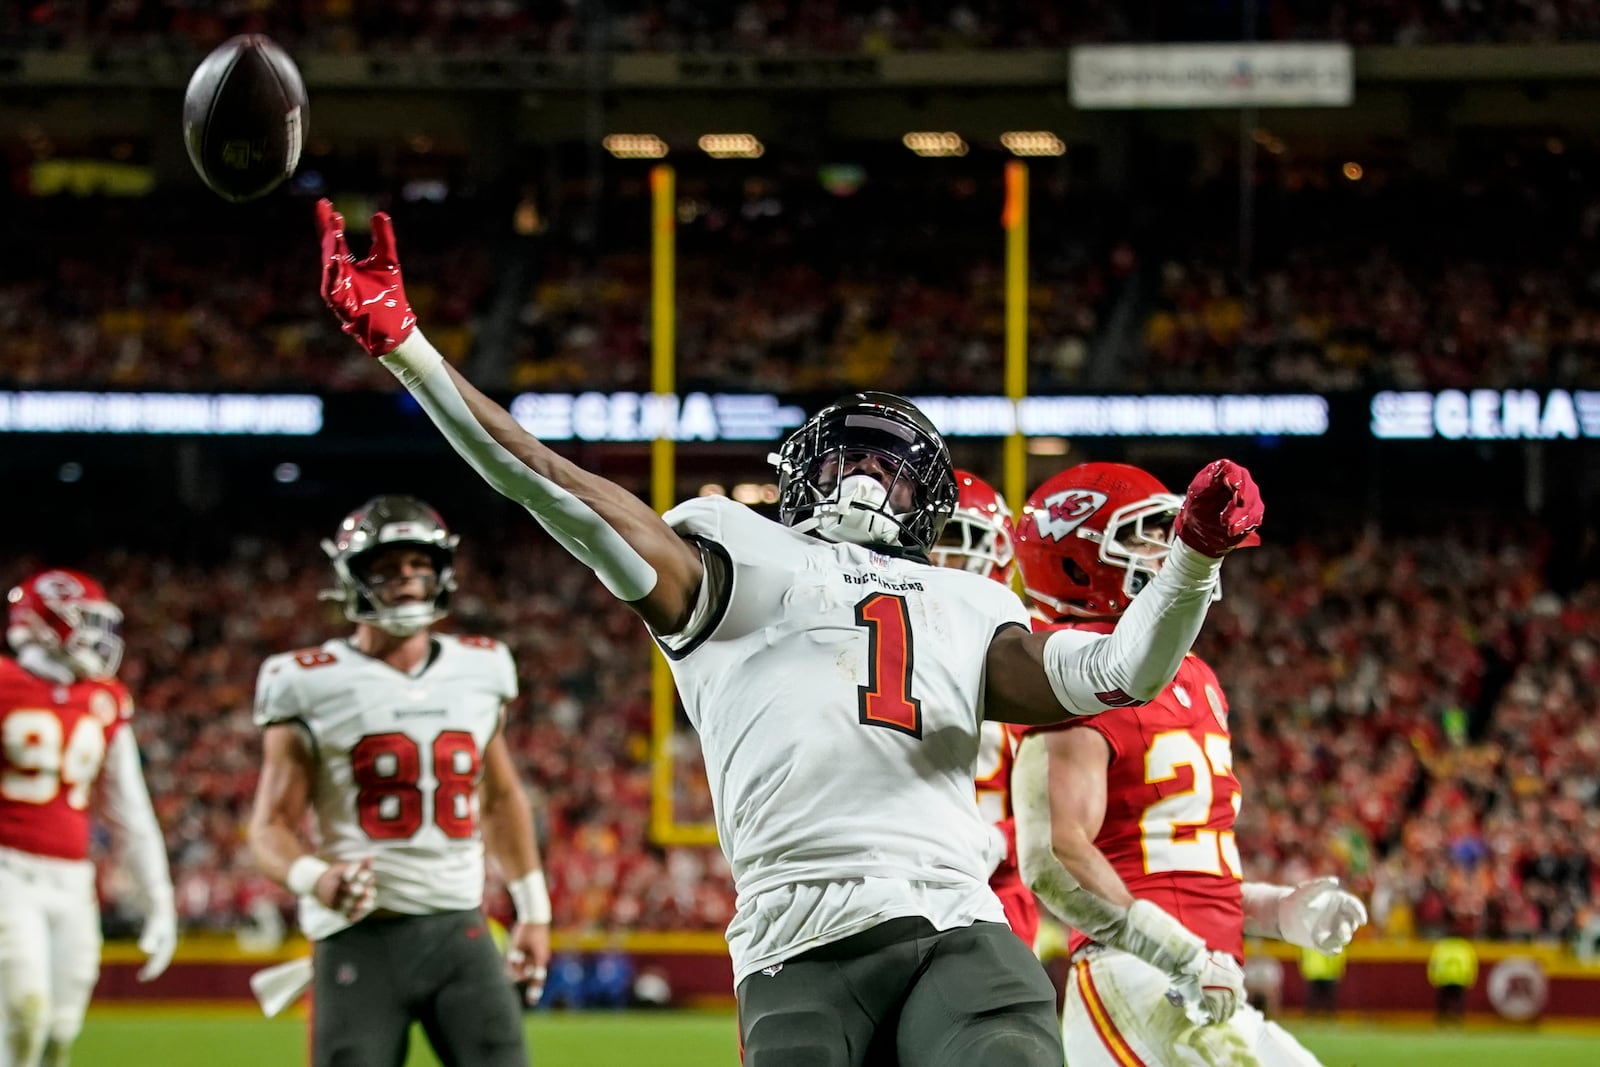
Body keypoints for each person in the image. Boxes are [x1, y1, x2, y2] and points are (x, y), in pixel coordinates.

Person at [314, 201, 1264, 1067]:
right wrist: (414, 353)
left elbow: (1120, 669)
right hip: (797, 934)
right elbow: (551, 483)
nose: (866, 479)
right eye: (850, 456)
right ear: (801, 470)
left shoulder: (965, 601)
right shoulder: (736, 549)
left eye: (892, 470)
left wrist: (1195, 558)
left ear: (927, 503)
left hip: (954, 917)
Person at [1008, 462, 1368, 1067]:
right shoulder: (1072, 673)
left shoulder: (1195, 678)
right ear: (1075, 559)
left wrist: (1278, 910)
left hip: (1194, 979)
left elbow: (1174, 863)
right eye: (1142, 533)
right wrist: (1180, 954)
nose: (1163, 547)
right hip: (1142, 977)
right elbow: (1054, 858)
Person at [245, 495, 551, 1067]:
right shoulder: (306, 681)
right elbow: (269, 826)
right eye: (386, 569)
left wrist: (533, 910)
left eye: (418, 566)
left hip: (461, 928)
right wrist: (317, 877)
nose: (407, 581)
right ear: (352, 579)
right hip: (360, 934)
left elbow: (502, 798)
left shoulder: (481, 667)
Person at [0, 569, 177, 1067]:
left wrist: (158, 897)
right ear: (46, 623)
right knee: (22, 1011)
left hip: (72, 878)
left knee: (60, 1028)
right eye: (87, 622)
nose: (99, 638)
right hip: (6, 868)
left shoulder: (104, 700)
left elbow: (130, 808)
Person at [929, 469, 1038, 950]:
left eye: (959, 538)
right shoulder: (864, 636)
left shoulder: (1025, 655)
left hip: (993, 886)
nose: (942, 556)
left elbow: (1059, 810)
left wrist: (997, 842)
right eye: (930, 536)